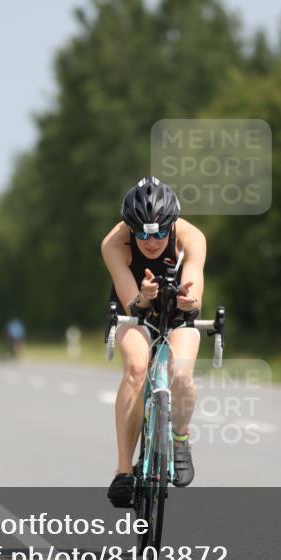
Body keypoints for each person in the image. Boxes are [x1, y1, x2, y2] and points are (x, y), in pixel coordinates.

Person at [101, 176, 206, 507]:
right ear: (130, 227)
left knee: (183, 372)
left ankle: (179, 437)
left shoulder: (191, 237)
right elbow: (132, 302)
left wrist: (189, 301)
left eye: (161, 232)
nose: (151, 241)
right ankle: (123, 472)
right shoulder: (113, 244)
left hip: (177, 310)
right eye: (142, 233)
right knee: (135, 367)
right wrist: (145, 297)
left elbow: (195, 290)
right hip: (134, 311)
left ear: (172, 225)